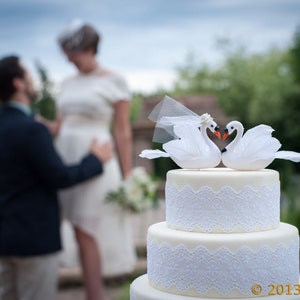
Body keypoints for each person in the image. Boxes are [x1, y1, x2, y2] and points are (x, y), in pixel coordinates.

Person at [0, 55, 113, 300]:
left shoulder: (18, 127)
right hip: (34, 241)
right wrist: (95, 158)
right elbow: (60, 177)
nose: (32, 81)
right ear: (18, 84)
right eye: (28, 75)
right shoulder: (32, 130)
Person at [53, 20, 136, 300]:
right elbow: (58, 125)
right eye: (67, 52)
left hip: (97, 162)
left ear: (90, 49)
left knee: (87, 228)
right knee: (75, 229)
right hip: (66, 161)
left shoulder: (115, 80)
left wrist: (128, 175)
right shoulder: (64, 83)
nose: (69, 58)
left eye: (74, 52)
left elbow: (122, 131)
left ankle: (94, 295)